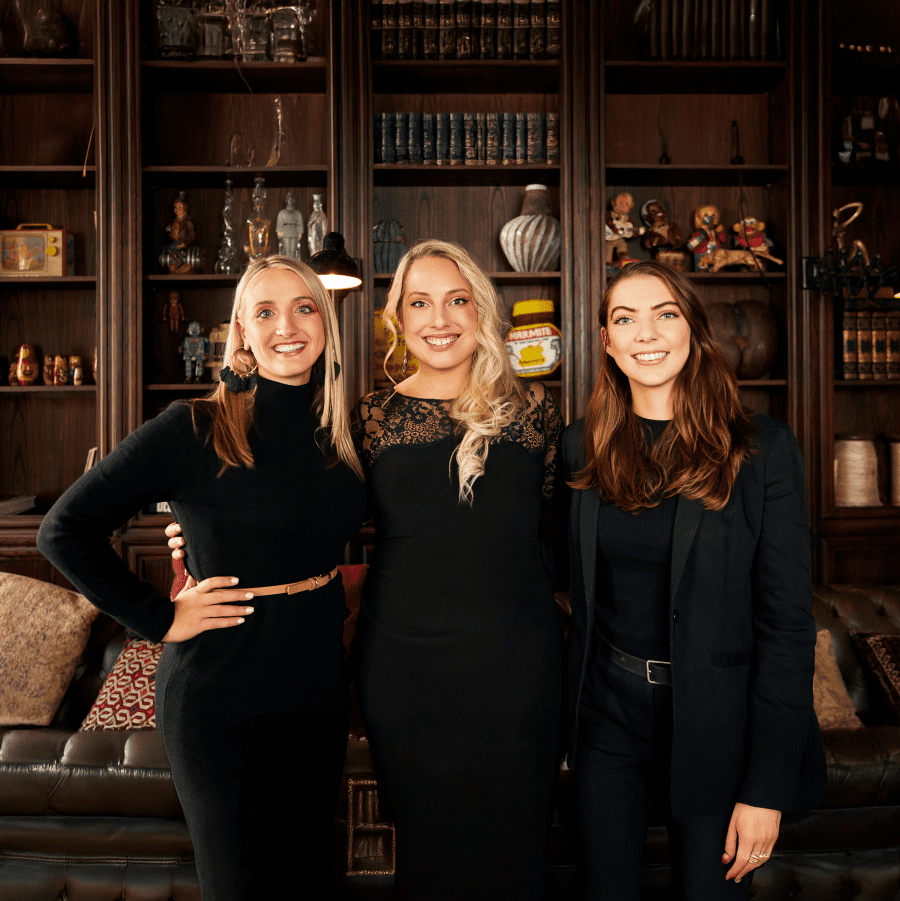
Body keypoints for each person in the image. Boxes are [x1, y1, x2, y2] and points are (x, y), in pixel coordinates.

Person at [37, 255, 366, 901]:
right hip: (221, 691)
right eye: (265, 311)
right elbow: (63, 529)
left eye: (304, 307)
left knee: (308, 879)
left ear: (326, 321)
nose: (287, 326)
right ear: (240, 330)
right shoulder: (193, 425)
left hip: (318, 688)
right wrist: (160, 616)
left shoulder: (342, 430)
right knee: (239, 885)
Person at [561, 260, 827, 900]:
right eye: (624, 319)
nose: (644, 334)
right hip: (608, 713)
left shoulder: (762, 450)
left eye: (665, 314)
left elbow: (789, 626)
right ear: (606, 340)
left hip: (716, 719)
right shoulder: (581, 446)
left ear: (693, 329)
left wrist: (766, 789)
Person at [353, 239, 564, 900]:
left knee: (518, 853)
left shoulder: (533, 411)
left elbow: (565, 532)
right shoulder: (369, 417)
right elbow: (307, 515)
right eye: (420, 302)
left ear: (482, 311)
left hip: (517, 666)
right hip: (403, 668)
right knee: (426, 856)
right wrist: (198, 534)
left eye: (456, 300)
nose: (438, 318)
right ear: (398, 318)